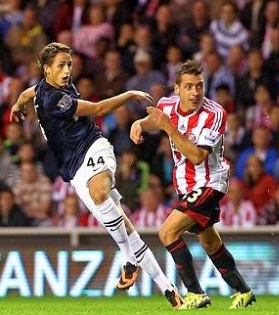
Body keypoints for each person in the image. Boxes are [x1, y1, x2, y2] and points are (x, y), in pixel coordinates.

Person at [10, 42, 180, 308]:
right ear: (47, 69)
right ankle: (168, 289)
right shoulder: (51, 97)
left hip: (93, 147)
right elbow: (97, 108)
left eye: (69, 64)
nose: (67, 70)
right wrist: (129, 94)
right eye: (61, 65)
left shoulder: (50, 88)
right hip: (74, 170)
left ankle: (127, 259)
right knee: (124, 227)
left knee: (100, 191)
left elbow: (29, 93)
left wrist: (18, 103)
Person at [130, 60, 255, 310]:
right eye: (188, 87)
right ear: (177, 89)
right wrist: (140, 124)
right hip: (187, 185)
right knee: (209, 241)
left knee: (167, 232)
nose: (195, 92)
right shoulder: (166, 105)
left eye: (199, 86)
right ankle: (244, 291)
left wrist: (169, 128)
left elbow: (198, 156)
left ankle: (195, 293)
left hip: (211, 182)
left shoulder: (215, 113)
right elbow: (156, 120)